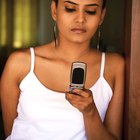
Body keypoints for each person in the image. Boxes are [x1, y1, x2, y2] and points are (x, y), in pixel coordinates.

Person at [0, 0, 125, 140]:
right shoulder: (20, 63)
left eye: (91, 11)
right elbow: (12, 134)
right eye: (70, 9)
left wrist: (90, 112)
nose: (80, 19)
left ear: (101, 16)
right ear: (54, 10)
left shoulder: (114, 66)